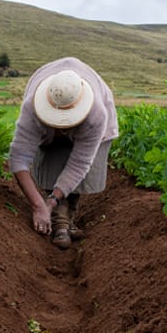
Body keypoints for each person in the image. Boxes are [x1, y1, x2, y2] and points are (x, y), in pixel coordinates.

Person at [7, 57, 120, 249]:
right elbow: (18, 159)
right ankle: (61, 223)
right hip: (46, 131)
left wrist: (51, 202)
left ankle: (66, 220)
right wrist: (38, 205)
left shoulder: (96, 114)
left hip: (93, 128)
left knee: (80, 176)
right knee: (52, 161)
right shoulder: (32, 107)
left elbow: (79, 163)